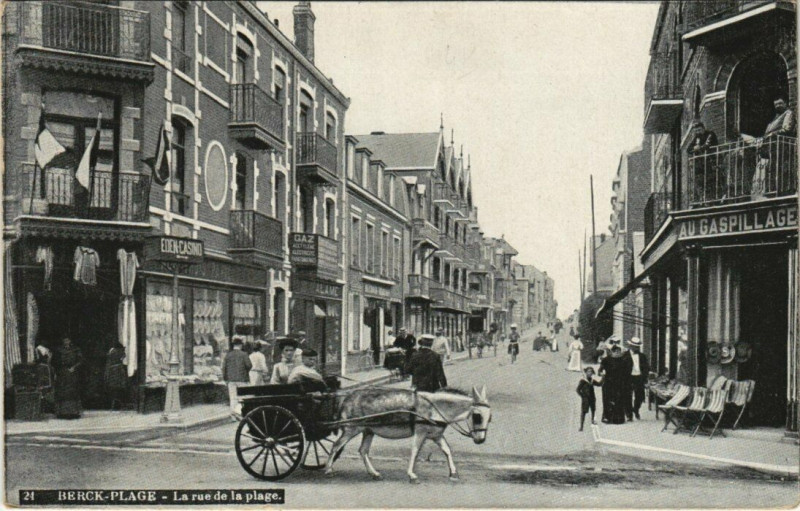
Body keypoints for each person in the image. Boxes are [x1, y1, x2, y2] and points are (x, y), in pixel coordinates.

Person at [688, 120, 720, 204]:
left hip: (711, 161)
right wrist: (694, 148)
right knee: (699, 180)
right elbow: (689, 149)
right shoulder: (697, 137)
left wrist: (698, 148)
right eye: (696, 131)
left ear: (703, 128)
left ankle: (711, 199)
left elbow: (707, 145)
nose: (698, 132)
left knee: (711, 181)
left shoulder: (710, 134)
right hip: (701, 164)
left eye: (699, 130)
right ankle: (703, 198)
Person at [599, 342, 630, 424]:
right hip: (608, 382)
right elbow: (600, 371)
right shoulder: (606, 360)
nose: (617, 353)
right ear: (612, 352)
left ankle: (618, 419)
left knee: (619, 400)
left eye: (618, 351)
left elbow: (627, 372)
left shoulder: (623, 360)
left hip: (620, 383)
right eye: (615, 351)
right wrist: (602, 374)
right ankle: (607, 417)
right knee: (607, 400)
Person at [53, 337, 83, 419]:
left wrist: (74, 367)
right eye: (64, 340)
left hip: (73, 372)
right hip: (62, 372)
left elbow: (80, 360)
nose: (66, 342)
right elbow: (55, 362)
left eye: (68, 340)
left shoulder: (76, 349)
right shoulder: (59, 350)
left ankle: (74, 412)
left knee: (73, 391)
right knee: (62, 392)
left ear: (70, 341)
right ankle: (62, 413)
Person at [222, 337, 251, 417]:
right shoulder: (244, 354)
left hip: (231, 380)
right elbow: (249, 365)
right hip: (242, 379)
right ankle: (242, 413)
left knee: (233, 398)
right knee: (242, 397)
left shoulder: (228, 355)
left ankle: (233, 415)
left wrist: (225, 379)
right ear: (240, 345)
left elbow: (224, 368)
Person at [625, 337, 650, 420]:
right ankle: (629, 415)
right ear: (630, 346)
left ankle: (636, 409)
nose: (636, 348)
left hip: (639, 378)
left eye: (638, 346)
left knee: (640, 396)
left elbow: (646, 368)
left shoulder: (642, 356)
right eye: (634, 346)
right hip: (629, 378)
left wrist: (645, 378)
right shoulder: (625, 355)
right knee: (628, 396)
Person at [577, 366, 603, 431]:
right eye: (588, 371)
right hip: (585, 399)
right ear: (586, 373)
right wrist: (582, 396)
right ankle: (581, 426)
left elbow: (599, 384)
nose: (590, 373)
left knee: (593, 410)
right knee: (583, 412)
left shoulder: (592, 380)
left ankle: (592, 420)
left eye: (591, 372)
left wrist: (603, 377)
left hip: (592, 398)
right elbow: (578, 389)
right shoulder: (583, 381)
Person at [104, 341, 128, 409]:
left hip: (113, 371)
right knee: (118, 387)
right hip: (117, 370)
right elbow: (123, 357)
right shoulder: (119, 351)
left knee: (114, 387)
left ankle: (115, 403)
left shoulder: (112, 351)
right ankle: (119, 403)